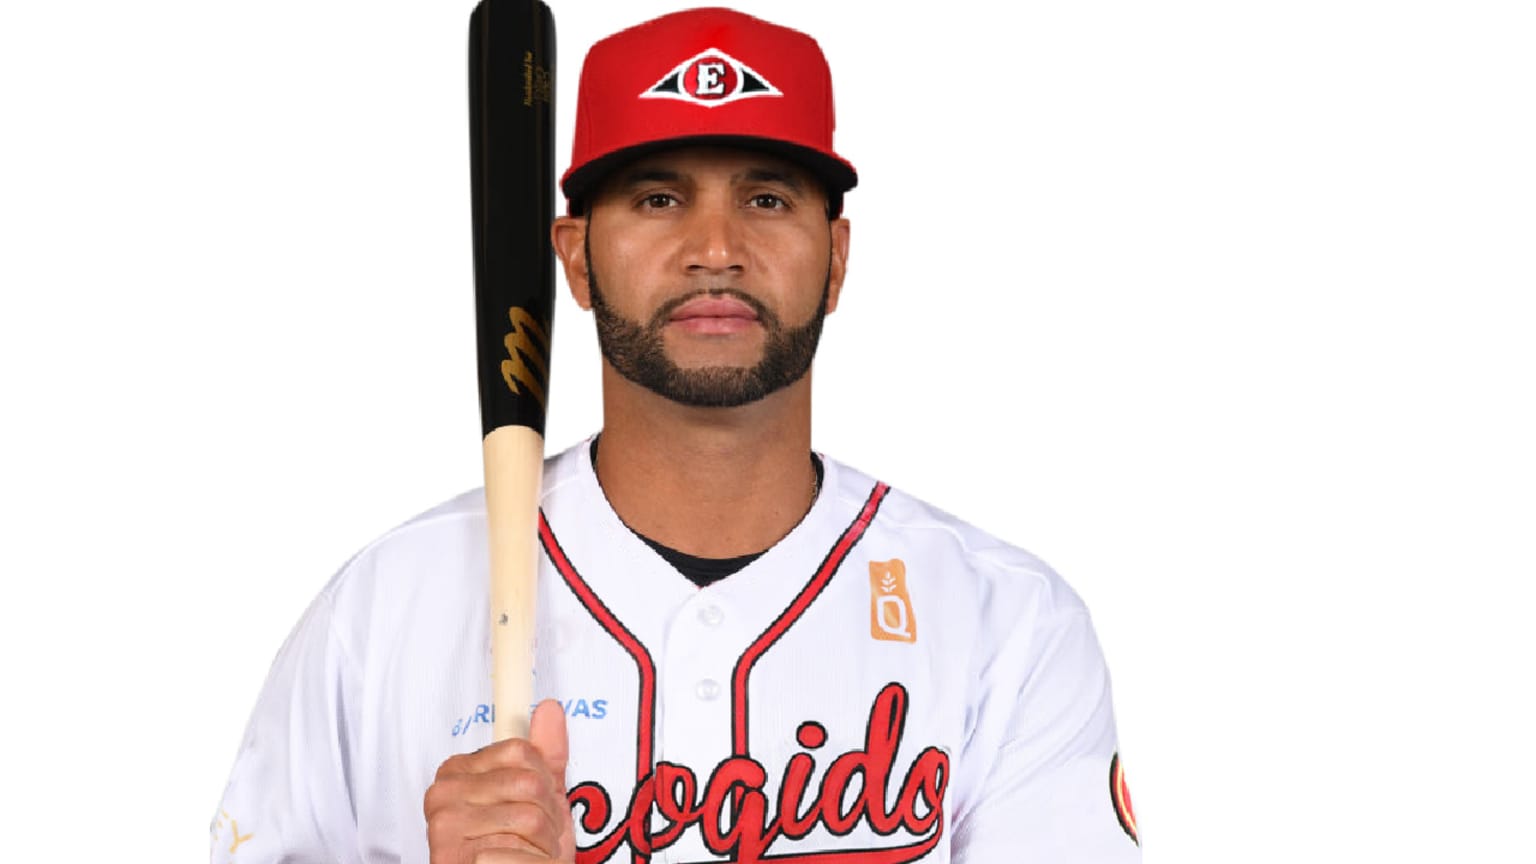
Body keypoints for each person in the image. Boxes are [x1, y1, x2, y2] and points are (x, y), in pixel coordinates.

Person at [210, 7, 1141, 863]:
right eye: (658, 199)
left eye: (767, 199)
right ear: (575, 259)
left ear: (837, 258)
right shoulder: (383, 613)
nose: (716, 249)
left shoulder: (1005, 624)